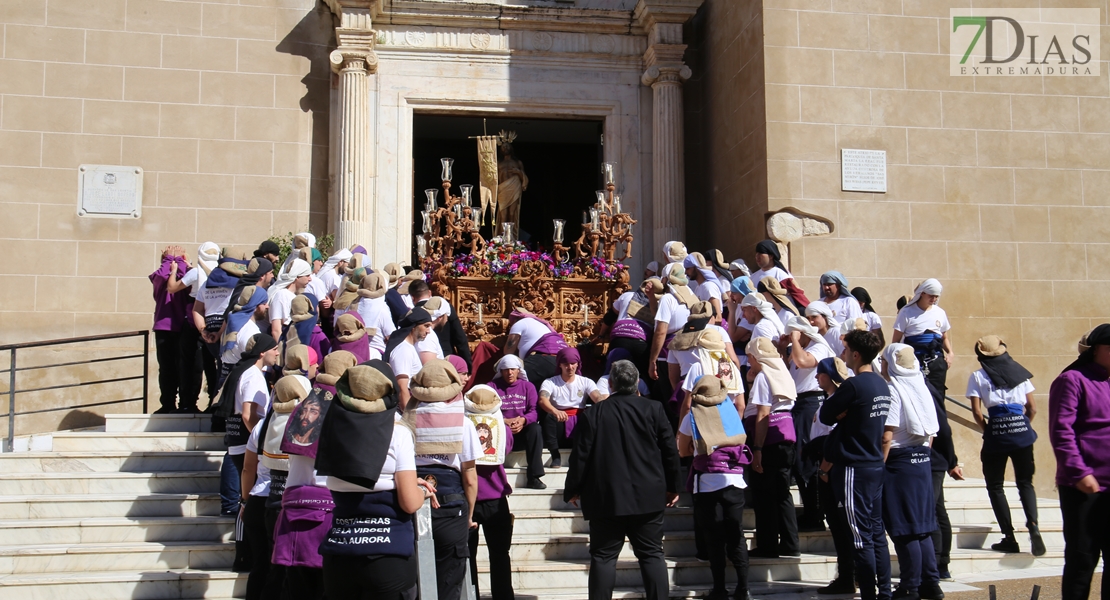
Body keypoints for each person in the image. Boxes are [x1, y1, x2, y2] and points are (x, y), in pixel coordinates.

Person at [564, 360, 681, 600]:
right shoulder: (654, 409)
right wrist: (673, 486)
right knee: (651, 554)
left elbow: (580, 456)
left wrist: (573, 488)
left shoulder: (594, 413)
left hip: (606, 497)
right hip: (648, 495)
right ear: (637, 382)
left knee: (603, 557)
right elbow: (670, 451)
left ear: (610, 384)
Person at [315, 361, 431, 600]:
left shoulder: (330, 428)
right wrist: (420, 491)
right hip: (387, 553)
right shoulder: (398, 433)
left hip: (340, 552)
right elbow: (409, 502)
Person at [818, 330, 892, 600]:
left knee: (861, 537)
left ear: (856, 354)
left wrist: (841, 411)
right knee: (876, 533)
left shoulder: (854, 385)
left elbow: (826, 414)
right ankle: (884, 592)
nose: (843, 354)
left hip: (854, 466)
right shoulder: (882, 384)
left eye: (846, 349)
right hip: (873, 464)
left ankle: (871, 595)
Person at [404, 359, 481, 600]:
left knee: (413, 576)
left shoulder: (403, 421)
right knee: (450, 577)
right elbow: (469, 476)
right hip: (451, 505)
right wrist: (469, 514)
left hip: (412, 499)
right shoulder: (464, 423)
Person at [967, 335, 1044, 556]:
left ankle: (1009, 536)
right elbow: (1033, 408)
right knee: (1025, 483)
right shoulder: (1020, 373)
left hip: (997, 431)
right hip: (1021, 430)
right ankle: (1033, 526)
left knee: (995, 485)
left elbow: (976, 411)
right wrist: (1022, 425)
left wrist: (988, 431)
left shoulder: (978, 376)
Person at [677, 376, 751, 600]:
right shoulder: (731, 412)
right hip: (735, 481)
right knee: (736, 535)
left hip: (708, 483)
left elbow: (683, 451)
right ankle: (743, 588)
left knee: (715, 537)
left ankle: (719, 589)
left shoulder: (692, 416)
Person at [1049, 324, 1110, 600]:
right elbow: (1062, 430)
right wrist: (1078, 471)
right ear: (1096, 350)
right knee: (1082, 558)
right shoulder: (1072, 380)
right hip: (1083, 484)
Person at [880, 344, 942, 600]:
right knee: (922, 527)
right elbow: (931, 431)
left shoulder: (894, 389)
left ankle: (910, 586)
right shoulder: (921, 386)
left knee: (904, 528)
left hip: (899, 461)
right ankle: (931, 583)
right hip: (921, 458)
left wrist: (878, 467)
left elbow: (887, 435)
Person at [744, 337, 800, 558]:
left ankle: (768, 544)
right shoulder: (782, 372)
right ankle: (790, 542)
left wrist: (757, 448)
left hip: (768, 440)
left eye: (750, 356)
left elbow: (763, 413)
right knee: (782, 493)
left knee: (764, 494)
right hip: (786, 437)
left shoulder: (763, 376)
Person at [784, 316, 836, 532]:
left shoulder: (819, 347)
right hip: (798, 404)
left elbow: (804, 362)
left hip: (811, 402)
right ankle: (811, 512)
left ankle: (816, 514)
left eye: (796, 334)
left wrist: (795, 340)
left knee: (808, 460)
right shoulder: (800, 349)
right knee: (800, 459)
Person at [464, 384, 515, 600]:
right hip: (496, 499)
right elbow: (508, 448)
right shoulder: (503, 429)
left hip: (469, 499)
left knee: (468, 556)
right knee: (500, 555)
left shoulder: (463, 427)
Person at [811, 357, 856, 596]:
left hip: (832, 468)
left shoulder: (838, 403)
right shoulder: (829, 400)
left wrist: (824, 470)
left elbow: (835, 438)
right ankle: (848, 574)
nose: (817, 377)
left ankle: (848, 576)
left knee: (841, 527)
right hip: (827, 464)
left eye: (820, 373)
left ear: (829, 375)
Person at [488, 354, 546, 489]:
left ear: (518, 370)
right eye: (506, 370)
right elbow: (488, 410)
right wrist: (503, 421)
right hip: (501, 431)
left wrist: (523, 420)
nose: (510, 373)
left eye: (513, 369)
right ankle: (496, 478)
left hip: (522, 432)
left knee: (536, 429)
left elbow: (534, 411)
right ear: (501, 371)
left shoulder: (528, 387)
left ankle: (534, 476)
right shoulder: (492, 387)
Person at [539, 347, 603, 468]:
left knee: (592, 416)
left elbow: (597, 398)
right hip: (559, 421)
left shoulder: (586, 382)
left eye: (573, 363)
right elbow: (543, 400)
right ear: (560, 365)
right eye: (566, 364)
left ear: (578, 364)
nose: (570, 367)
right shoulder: (550, 382)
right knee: (548, 417)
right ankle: (555, 455)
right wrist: (554, 410)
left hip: (579, 422)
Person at [150, 245, 193, 413]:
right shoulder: (159, 279)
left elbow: (187, 277)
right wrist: (170, 260)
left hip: (183, 327)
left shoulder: (185, 276)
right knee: (166, 367)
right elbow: (161, 274)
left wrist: (179, 261)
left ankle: (186, 402)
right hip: (164, 326)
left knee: (184, 366)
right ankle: (167, 403)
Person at [893, 279, 952, 395]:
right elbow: (896, 341)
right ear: (922, 293)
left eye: (936, 297)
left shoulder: (940, 312)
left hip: (936, 361)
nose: (934, 299)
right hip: (914, 360)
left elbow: (944, 337)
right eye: (931, 296)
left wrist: (950, 353)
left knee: (937, 395)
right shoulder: (906, 312)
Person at [505, 308, 570, 388]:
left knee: (511, 379)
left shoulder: (520, 323)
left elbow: (508, 352)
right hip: (562, 362)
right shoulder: (542, 324)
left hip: (542, 359)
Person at [385, 307, 435, 407]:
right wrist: (408, 416)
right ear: (414, 327)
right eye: (426, 326)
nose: (428, 331)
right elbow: (402, 386)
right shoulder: (404, 350)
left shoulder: (409, 347)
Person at [749, 240, 809, 309]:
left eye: (761, 252)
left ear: (771, 256)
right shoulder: (752, 277)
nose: (757, 256)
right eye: (757, 253)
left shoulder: (780, 274)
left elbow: (796, 294)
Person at [354, 271, 396, 357]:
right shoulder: (381, 309)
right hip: (376, 353)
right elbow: (390, 336)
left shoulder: (353, 305)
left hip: (356, 351)